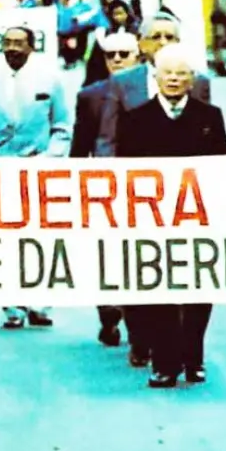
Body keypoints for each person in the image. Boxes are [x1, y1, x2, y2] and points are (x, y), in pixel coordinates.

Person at [115, 43, 226, 389]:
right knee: (159, 291)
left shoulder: (210, 117)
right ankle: (165, 362)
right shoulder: (136, 118)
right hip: (154, 222)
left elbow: (224, 167)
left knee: (199, 290)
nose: (174, 79)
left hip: (199, 221)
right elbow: (123, 173)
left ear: (192, 79)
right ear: (156, 76)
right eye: (168, 73)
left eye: (182, 73)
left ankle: (193, 357)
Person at [0, 24, 71, 329]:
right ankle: (11, 304)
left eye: (19, 43)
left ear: (31, 47)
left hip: (38, 171)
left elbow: (62, 126)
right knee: (3, 238)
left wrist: (50, 158)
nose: (12, 48)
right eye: (7, 42)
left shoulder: (50, 81)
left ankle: (40, 302)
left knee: (40, 237)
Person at [70, 29, 141, 348]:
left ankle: (139, 321)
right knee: (105, 253)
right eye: (110, 55)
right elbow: (80, 143)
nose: (117, 60)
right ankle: (109, 316)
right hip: (102, 187)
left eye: (123, 54)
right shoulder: (90, 95)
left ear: (137, 56)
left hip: (143, 186)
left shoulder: (149, 91)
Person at [95, 14, 212, 158]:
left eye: (169, 38)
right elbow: (108, 138)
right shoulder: (121, 82)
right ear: (141, 44)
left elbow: (208, 138)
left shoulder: (198, 81)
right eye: (156, 37)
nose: (163, 43)